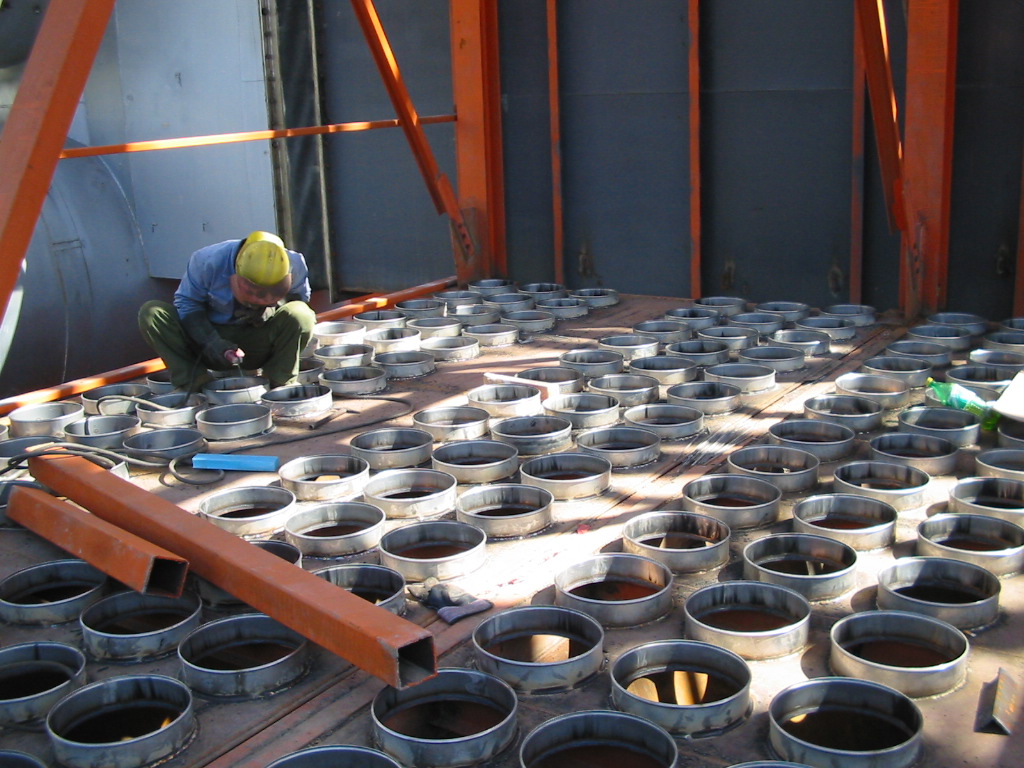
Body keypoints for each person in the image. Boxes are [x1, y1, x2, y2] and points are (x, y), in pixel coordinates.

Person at [138, 231, 316, 391]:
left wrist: (270, 307)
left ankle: (279, 381)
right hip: (208, 341)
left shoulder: (295, 263)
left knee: (301, 314)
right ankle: (194, 383)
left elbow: (300, 298)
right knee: (152, 313)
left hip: (259, 340)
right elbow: (187, 304)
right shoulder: (207, 260)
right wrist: (212, 342)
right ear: (237, 269)